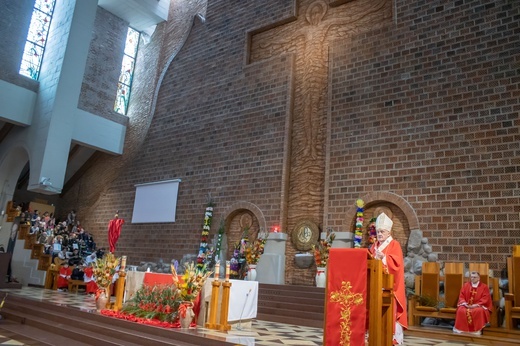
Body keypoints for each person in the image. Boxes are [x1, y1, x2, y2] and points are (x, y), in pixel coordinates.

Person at [368, 212, 408, 345]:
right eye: (378, 231)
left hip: (389, 287)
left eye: (382, 232)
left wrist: (383, 258)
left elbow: (396, 265)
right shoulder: (374, 246)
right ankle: (375, 335)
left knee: (390, 312)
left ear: (389, 232)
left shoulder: (394, 244)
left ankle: (391, 338)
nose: (379, 234)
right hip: (375, 286)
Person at [453, 271, 492, 335]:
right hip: (467, 305)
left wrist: (475, 305)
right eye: (471, 277)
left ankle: (476, 330)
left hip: (478, 306)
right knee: (460, 310)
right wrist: (465, 303)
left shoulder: (484, 287)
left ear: (479, 278)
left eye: (474, 277)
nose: (472, 278)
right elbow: (461, 296)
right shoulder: (466, 285)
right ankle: (461, 329)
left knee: (478, 311)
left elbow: (486, 298)